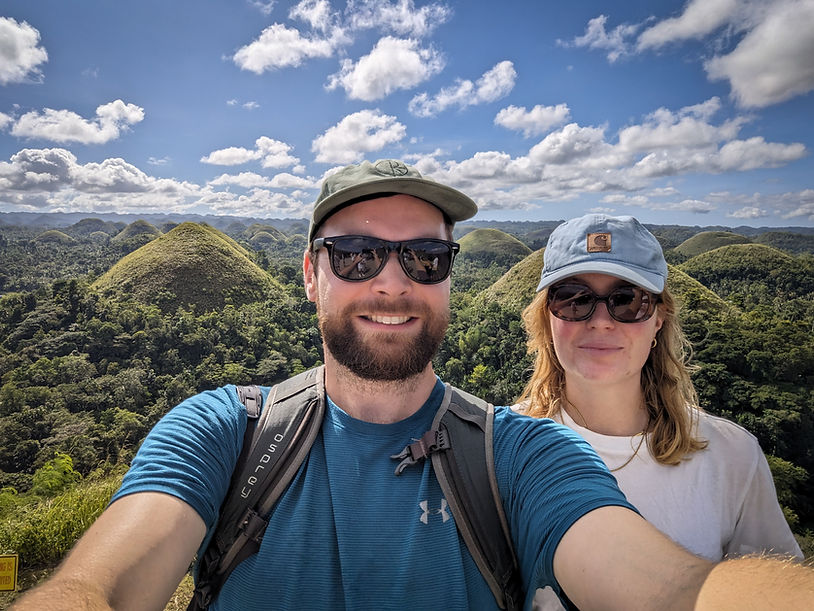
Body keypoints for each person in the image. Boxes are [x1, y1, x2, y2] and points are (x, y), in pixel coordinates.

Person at [12, 162, 814, 611]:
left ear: (451, 281)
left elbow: (680, 591)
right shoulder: (225, 431)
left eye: (425, 258)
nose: (392, 283)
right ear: (309, 274)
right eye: (357, 254)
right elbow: (99, 588)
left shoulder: (519, 454)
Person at [516, 213, 804, 605]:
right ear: (547, 318)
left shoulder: (731, 455)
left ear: (658, 320)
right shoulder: (501, 452)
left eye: (628, 301)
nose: (601, 321)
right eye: (574, 299)